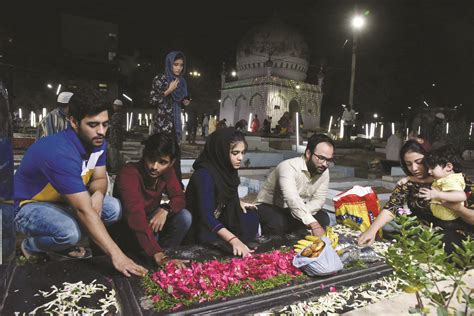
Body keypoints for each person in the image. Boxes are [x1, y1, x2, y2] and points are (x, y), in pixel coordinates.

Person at [14, 89, 147, 277]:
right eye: (93, 125)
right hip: (30, 206)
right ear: (74, 122)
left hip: (64, 200)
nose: (101, 131)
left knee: (113, 207)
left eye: (105, 124)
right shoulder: (59, 153)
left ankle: (63, 240)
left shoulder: (97, 141)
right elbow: (83, 210)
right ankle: (31, 245)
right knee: (70, 232)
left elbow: (100, 178)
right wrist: (118, 256)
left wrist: (99, 194)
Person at [358, 140, 474, 254]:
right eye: (408, 164)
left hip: (456, 235)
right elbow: (392, 207)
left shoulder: (456, 181)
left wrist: (458, 208)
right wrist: (372, 231)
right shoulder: (409, 183)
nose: (414, 168)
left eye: (419, 162)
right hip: (423, 235)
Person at [113, 133, 191, 267]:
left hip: (149, 222)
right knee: (150, 235)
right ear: (144, 154)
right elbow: (135, 215)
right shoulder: (129, 173)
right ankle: (157, 255)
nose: (154, 166)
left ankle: (164, 256)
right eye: (151, 159)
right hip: (129, 227)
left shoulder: (166, 171)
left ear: (171, 163)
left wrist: (165, 209)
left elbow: (179, 197)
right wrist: (155, 251)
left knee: (184, 217)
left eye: (162, 162)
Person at [185, 128, 259, 257]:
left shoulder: (227, 169)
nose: (240, 158)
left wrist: (237, 201)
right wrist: (233, 240)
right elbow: (206, 216)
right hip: (200, 223)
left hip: (219, 217)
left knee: (251, 216)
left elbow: (228, 193)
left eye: (242, 152)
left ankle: (243, 246)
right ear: (221, 152)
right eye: (235, 153)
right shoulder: (204, 175)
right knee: (213, 241)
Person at [255, 134, 334, 236]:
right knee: (278, 222)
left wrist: (303, 213)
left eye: (328, 160)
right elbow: (292, 199)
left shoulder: (324, 172)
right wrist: (313, 224)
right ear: (308, 153)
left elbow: (319, 200)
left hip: (294, 209)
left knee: (323, 217)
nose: (324, 164)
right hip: (270, 207)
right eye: (321, 158)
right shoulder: (288, 167)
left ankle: (296, 232)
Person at [149, 51, 191, 185]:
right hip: (163, 125)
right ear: (169, 64)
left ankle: (175, 186)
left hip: (176, 124)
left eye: (181, 65)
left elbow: (180, 99)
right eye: (175, 64)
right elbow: (153, 100)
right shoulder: (160, 79)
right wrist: (169, 90)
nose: (179, 68)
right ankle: (158, 185)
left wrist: (185, 102)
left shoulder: (181, 81)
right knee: (162, 156)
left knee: (175, 156)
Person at [422, 145, 466, 221]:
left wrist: (437, 194)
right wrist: (409, 178)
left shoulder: (450, 180)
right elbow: (427, 180)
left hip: (449, 221)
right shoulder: (444, 178)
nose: (429, 171)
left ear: (448, 167)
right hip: (443, 218)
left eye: (432, 168)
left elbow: (461, 196)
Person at [107, 99, 125, 173]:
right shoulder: (120, 115)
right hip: (116, 138)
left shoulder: (116, 115)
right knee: (115, 153)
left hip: (115, 138)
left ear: (118, 107)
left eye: (115, 106)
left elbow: (112, 125)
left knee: (114, 154)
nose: (113, 107)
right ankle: (116, 168)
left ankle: (115, 169)